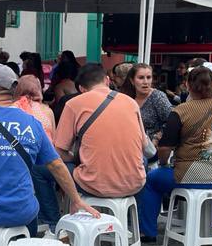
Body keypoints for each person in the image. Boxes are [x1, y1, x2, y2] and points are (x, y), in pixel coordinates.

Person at [0, 63, 98, 238]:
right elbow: (57, 165)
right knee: (31, 208)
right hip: (22, 213)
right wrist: (76, 200)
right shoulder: (32, 123)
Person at [135, 66, 212, 242]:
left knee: (151, 180)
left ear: (187, 86)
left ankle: (148, 232)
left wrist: (163, 164)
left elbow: (165, 148)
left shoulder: (180, 111)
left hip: (190, 174)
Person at [54, 63, 147, 200]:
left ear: (81, 88)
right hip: (135, 183)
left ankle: (51, 214)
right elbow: (144, 145)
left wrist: (75, 158)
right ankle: (135, 212)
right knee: (143, 160)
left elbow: (59, 152)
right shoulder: (131, 102)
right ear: (107, 80)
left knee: (41, 170)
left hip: (93, 184)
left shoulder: (73, 104)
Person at [14, 75, 60, 229]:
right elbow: (53, 142)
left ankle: (46, 219)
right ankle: (51, 222)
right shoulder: (47, 111)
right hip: (48, 162)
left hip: (20, 164)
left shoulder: (14, 109)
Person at [120, 63, 172, 143]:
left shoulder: (158, 97)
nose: (145, 82)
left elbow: (171, 121)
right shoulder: (127, 97)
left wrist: (157, 137)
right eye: (141, 78)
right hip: (130, 144)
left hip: (151, 146)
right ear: (132, 81)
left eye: (148, 77)